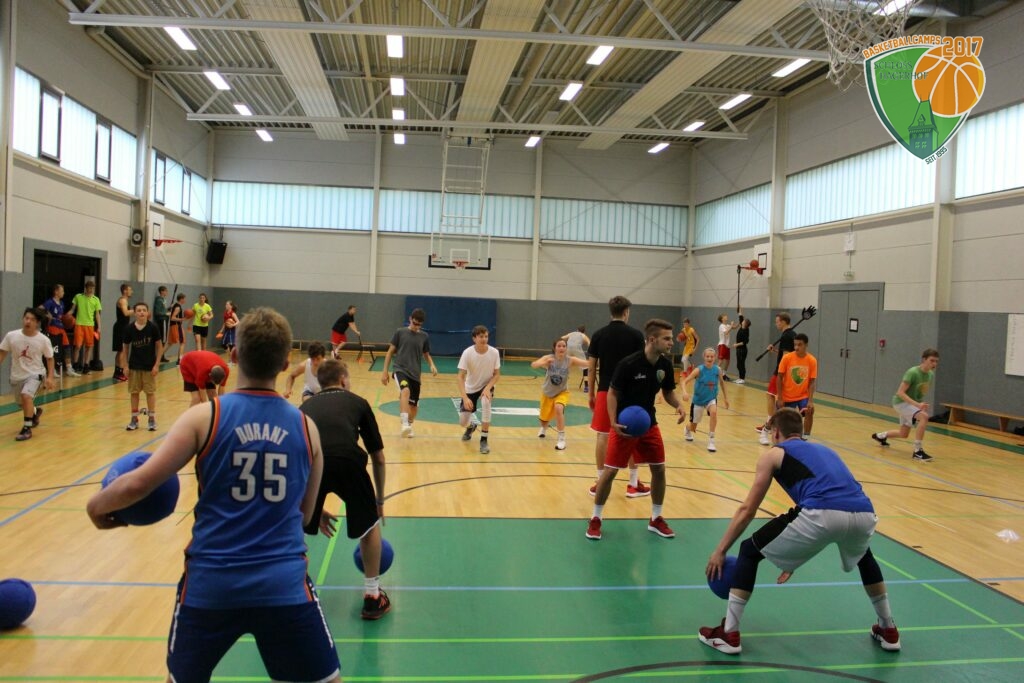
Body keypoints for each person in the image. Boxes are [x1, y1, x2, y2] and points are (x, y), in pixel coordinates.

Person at [86, 307, 341, 683]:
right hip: (282, 585)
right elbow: (305, 516)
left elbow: (139, 483)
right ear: (286, 362)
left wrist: (97, 506)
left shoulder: (204, 417)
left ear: (234, 355)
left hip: (211, 584)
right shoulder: (307, 428)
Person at [698, 408, 901, 656]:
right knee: (864, 556)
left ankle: (729, 634)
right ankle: (888, 628)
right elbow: (833, 508)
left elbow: (748, 509)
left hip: (820, 512)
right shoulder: (827, 451)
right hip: (864, 513)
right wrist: (793, 554)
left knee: (749, 551)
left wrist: (720, 550)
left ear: (776, 432)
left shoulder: (773, 454)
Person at [300, 359, 391, 620]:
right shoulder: (358, 402)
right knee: (369, 527)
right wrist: (378, 501)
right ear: (343, 379)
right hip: (349, 462)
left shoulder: (304, 408)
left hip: (312, 463)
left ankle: (293, 589)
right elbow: (378, 457)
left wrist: (310, 507)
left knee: (295, 525)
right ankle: (372, 597)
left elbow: (297, 455)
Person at [586, 319, 688, 541]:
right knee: (610, 472)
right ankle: (595, 518)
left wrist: (678, 405)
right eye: (667, 339)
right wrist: (613, 421)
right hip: (625, 425)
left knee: (659, 469)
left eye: (671, 338)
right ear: (652, 339)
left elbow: (668, 392)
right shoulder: (628, 364)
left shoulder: (665, 365)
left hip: (649, 423)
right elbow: (612, 393)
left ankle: (656, 518)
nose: (672, 342)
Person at [587, 296, 648, 498]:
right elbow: (642, 365)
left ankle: (600, 481)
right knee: (632, 434)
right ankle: (633, 484)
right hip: (629, 392)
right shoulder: (636, 335)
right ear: (626, 312)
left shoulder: (598, 335)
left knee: (602, 436)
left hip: (605, 390)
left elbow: (592, 367)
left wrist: (591, 392)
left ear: (611, 312)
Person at [872, 348, 940, 462]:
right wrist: (917, 405)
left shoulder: (930, 375)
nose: (934, 364)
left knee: (903, 434)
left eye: (936, 361)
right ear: (924, 359)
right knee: (924, 417)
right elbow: (900, 392)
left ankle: (880, 436)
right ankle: (917, 451)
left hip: (910, 404)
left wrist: (919, 405)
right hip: (901, 403)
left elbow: (918, 392)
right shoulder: (912, 372)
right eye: (932, 360)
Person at [0, 307, 56, 441]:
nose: (28, 321)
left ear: (37, 322)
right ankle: (35, 412)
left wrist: (50, 377)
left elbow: (50, 358)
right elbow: (2, 352)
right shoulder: (11, 336)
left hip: (36, 374)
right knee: (22, 403)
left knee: (26, 396)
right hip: (17, 375)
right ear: (23, 319)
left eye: (32, 319)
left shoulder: (43, 340)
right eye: (26, 318)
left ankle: (27, 428)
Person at [380, 308, 438, 438]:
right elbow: (390, 352)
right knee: (405, 390)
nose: (416, 326)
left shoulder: (424, 336)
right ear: (410, 319)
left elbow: (426, 354)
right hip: (400, 369)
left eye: (419, 325)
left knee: (414, 406)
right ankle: (404, 424)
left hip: (415, 374)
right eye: (414, 323)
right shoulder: (400, 332)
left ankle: (409, 424)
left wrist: (432, 365)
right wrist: (385, 371)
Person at [532, 338, 588, 451]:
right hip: (547, 392)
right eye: (559, 346)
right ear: (554, 348)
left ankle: (561, 439)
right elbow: (534, 364)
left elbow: (587, 363)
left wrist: (600, 357)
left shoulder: (570, 360)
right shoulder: (549, 358)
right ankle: (544, 427)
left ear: (566, 348)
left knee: (558, 408)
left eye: (564, 346)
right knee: (544, 419)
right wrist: (544, 363)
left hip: (562, 392)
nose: (561, 348)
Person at [457, 325, 501, 454]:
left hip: (486, 385)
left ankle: (484, 440)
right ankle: (471, 426)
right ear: (474, 338)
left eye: (486, 336)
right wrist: (465, 397)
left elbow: (497, 374)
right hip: (470, 388)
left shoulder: (494, 352)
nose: (484, 339)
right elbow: (460, 377)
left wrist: (488, 388)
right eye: (481, 336)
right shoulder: (467, 353)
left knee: (486, 402)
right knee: (463, 422)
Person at [122, 302, 163, 432]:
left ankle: (151, 419)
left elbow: (159, 347)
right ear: (135, 313)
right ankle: (134, 418)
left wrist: (156, 365)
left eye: (144, 310)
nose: (141, 312)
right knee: (134, 392)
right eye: (139, 310)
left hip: (149, 366)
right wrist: (125, 365)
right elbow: (125, 348)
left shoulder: (153, 327)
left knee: (150, 392)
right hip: (134, 365)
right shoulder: (129, 328)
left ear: (147, 312)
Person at [682, 348, 730, 452]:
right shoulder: (698, 370)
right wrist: (685, 392)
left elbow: (722, 383)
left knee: (714, 412)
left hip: (711, 399)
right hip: (698, 401)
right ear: (704, 357)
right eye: (707, 356)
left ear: (715, 357)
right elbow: (684, 381)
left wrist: (726, 398)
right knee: (693, 426)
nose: (709, 358)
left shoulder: (717, 370)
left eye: (712, 356)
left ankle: (711, 440)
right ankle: (687, 429)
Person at [758, 312, 796, 446]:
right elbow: (789, 355)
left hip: (781, 373)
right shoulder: (792, 334)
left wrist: (781, 374)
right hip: (787, 372)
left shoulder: (786, 336)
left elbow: (786, 357)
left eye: (777, 322)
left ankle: (767, 427)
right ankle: (773, 428)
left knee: (770, 396)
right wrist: (774, 350)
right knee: (779, 403)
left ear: (784, 322)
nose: (776, 324)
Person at [775, 333, 817, 439]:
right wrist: (780, 397)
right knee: (783, 419)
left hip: (803, 395)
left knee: (809, 410)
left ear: (806, 345)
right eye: (795, 345)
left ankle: (806, 437)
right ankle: (768, 429)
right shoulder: (787, 358)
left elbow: (812, 382)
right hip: (787, 396)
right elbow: (779, 377)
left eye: (800, 345)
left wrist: (810, 401)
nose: (796, 347)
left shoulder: (812, 360)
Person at [68, 280, 101, 375]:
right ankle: (75, 365)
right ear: (86, 288)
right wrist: (65, 316)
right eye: (90, 288)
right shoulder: (78, 297)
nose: (91, 290)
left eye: (93, 288)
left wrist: (99, 327)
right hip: (79, 324)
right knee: (78, 346)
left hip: (90, 325)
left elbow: (97, 315)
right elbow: (72, 310)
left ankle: (86, 366)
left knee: (89, 346)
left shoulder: (96, 299)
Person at [43, 284, 74, 377]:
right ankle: (52, 370)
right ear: (56, 291)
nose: (63, 293)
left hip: (61, 328)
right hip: (53, 328)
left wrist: (66, 319)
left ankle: (69, 368)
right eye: (62, 291)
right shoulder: (50, 302)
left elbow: (61, 316)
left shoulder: (62, 303)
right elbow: (40, 309)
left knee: (67, 347)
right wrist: (48, 315)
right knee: (54, 349)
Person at [112, 283, 133, 382]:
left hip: (123, 327)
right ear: (125, 291)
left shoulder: (125, 300)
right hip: (121, 327)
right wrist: (137, 310)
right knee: (122, 351)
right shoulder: (123, 300)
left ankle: (117, 373)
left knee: (120, 351)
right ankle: (119, 373)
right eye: (130, 289)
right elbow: (125, 312)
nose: (131, 291)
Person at [561, 325, 591, 392]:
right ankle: (586, 387)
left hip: (568, 349)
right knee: (585, 367)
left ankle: (562, 385)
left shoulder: (572, 333)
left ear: (577, 330)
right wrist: (590, 351)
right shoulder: (583, 335)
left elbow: (562, 338)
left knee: (565, 365)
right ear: (584, 331)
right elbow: (589, 342)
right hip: (577, 349)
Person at [717, 313, 739, 382]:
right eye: (724, 316)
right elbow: (726, 332)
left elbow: (735, 327)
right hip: (722, 345)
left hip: (727, 346)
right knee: (720, 361)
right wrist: (731, 326)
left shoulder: (727, 325)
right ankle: (713, 373)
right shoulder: (721, 326)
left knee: (727, 361)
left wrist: (740, 321)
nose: (726, 316)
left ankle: (724, 374)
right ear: (722, 319)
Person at [166, 293, 187, 364]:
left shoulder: (174, 305)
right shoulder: (178, 307)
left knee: (170, 343)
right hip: (176, 326)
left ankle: (159, 356)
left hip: (173, 326)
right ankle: (180, 360)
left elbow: (169, 313)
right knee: (182, 342)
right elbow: (172, 318)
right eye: (184, 299)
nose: (185, 300)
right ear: (181, 299)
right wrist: (182, 319)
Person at [153, 285, 170, 358]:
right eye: (166, 291)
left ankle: (161, 355)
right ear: (162, 291)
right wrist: (166, 313)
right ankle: (160, 356)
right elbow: (157, 312)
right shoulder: (159, 300)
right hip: (162, 320)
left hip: (164, 320)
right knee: (163, 339)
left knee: (164, 339)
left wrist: (168, 309)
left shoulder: (163, 300)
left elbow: (163, 309)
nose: (167, 292)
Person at [733, 317, 751, 384]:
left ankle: (742, 379)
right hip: (738, 349)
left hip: (742, 350)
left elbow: (745, 342)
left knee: (741, 364)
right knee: (738, 364)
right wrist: (739, 311)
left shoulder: (745, 331)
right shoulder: (741, 327)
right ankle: (740, 378)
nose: (742, 321)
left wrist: (736, 344)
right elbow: (741, 318)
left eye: (744, 321)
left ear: (745, 324)